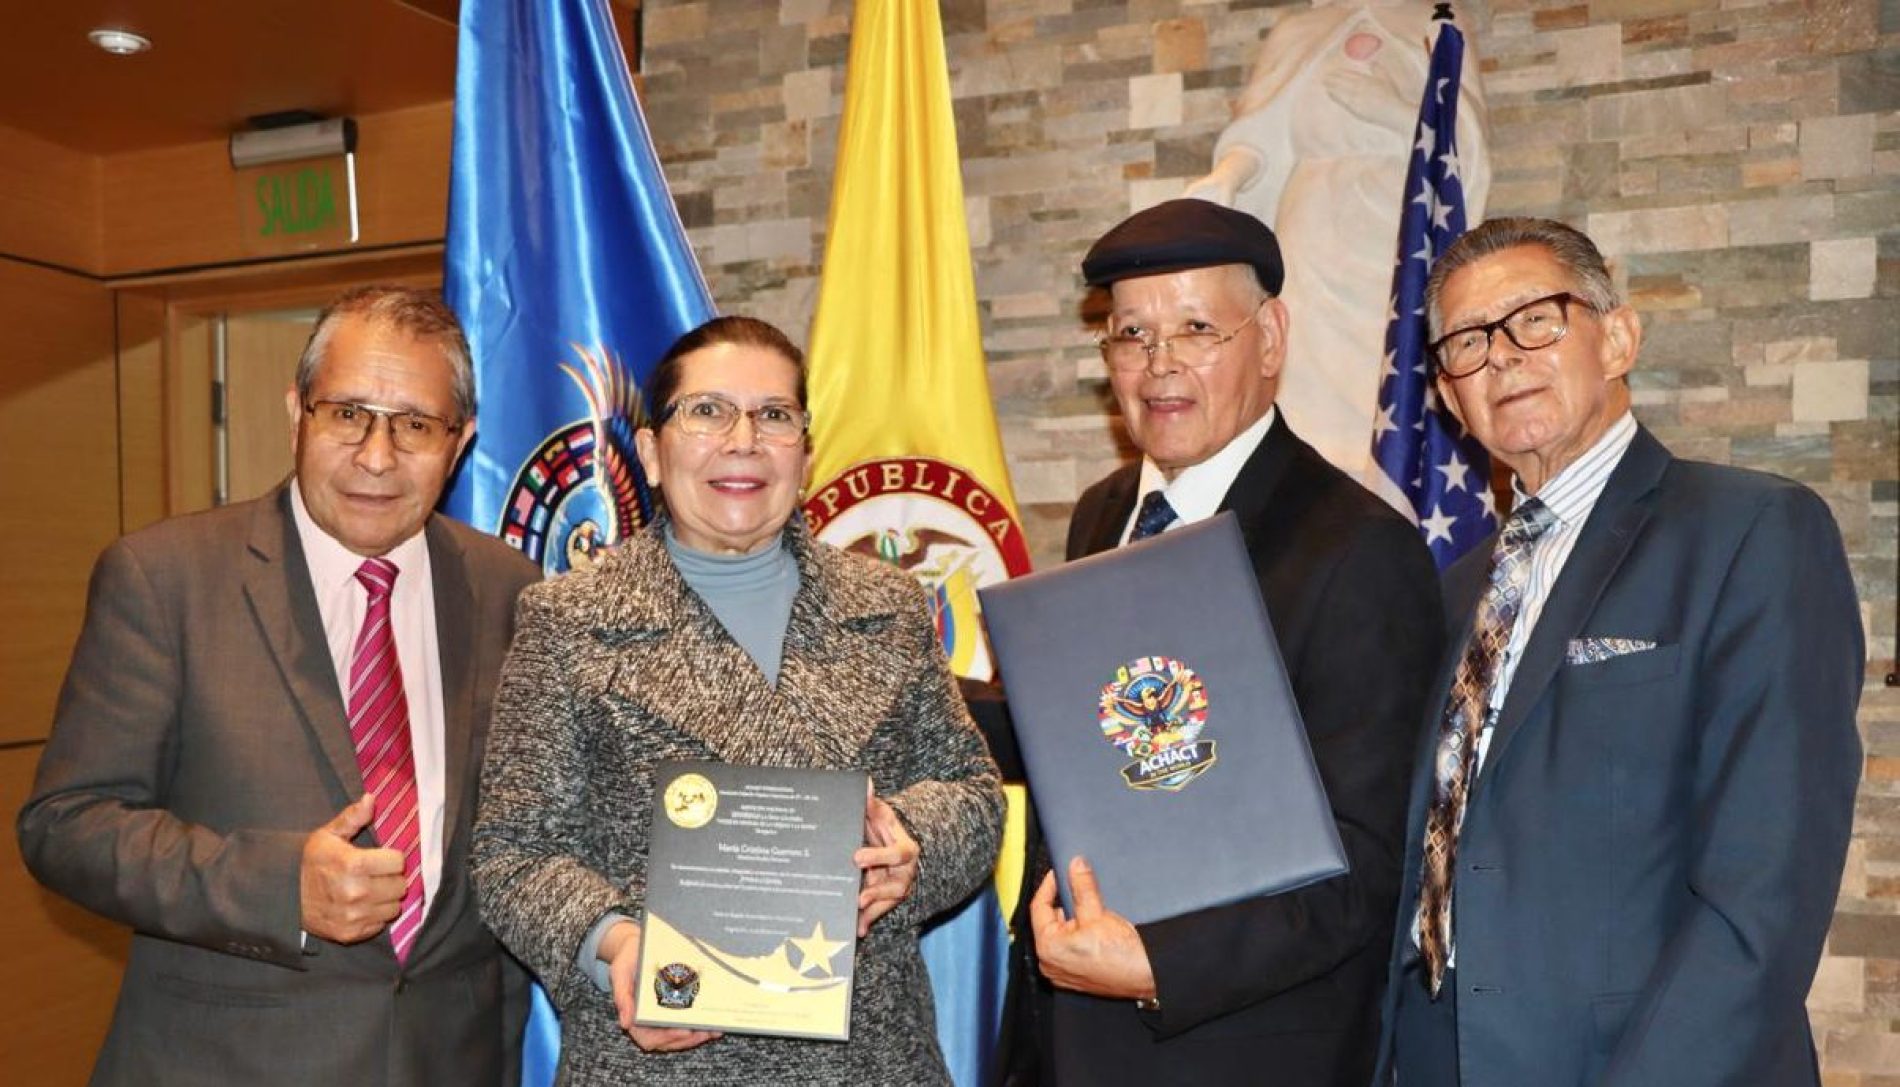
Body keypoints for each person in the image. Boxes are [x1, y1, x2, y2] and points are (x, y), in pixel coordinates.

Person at [1372, 217, 1864, 1086]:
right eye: (1467, 343)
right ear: (1450, 397)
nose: (1503, 357)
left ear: (1620, 337)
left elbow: (1764, 893)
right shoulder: (1454, 595)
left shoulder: (1751, 532)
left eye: (1535, 319)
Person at [17, 285, 539, 1087]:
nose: (376, 454)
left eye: (414, 425)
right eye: (347, 413)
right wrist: (276, 887)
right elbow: (65, 825)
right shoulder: (166, 580)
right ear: (297, 411)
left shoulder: (510, 590)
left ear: (461, 440)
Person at [471, 315, 1004, 1085]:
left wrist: (910, 841)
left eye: (775, 415)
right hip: (659, 1057)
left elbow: (975, 793)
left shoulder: (886, 604)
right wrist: (615, 941)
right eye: (708, 411)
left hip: (873, 1057)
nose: (744, 439)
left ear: (804, 452)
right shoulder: (569, 620)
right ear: (652, 452)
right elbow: (514, 853)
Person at [1018, 198, 1443, 1085]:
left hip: (1247, 1049)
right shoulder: (1102, 516)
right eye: (1130, 334)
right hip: (1067, 1041)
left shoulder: (1359, 547)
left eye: (1196, 328)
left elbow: (1367, 860)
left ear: (1272, 337)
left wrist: (1160, 963)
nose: (1158, 364)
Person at [1185, 0, 1490, 482]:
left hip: (1397, 227)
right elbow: (1262, 134)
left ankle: (1386, 489)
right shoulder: (1297, 31)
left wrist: (1387, 112)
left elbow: (1462, 138)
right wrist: (1228, 176)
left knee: (1389, 357)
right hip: (1311, 224)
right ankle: (1308, 495)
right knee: (1301, 358)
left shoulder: (1434, 23)